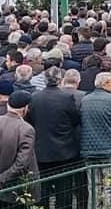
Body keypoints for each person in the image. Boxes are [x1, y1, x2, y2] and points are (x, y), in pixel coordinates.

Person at [0, 90, 39, 209]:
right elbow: (22, 162)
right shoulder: (26, 129)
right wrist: (0, 179)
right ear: (25, 108)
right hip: (18, 189)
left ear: (8, 105)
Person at [28, 66, 80, 209]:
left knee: (43, 189)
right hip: (64, 150)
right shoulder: (66, 98)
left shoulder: (34, 97)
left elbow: (30, 120)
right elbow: (75, 119)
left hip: (41, 150)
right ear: (60, 80)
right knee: (64, 190)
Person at [80, 72, 111, 209]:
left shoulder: (85, 100)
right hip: (110, 149)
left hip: (89, 150)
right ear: (105, 84)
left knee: (94, 187)